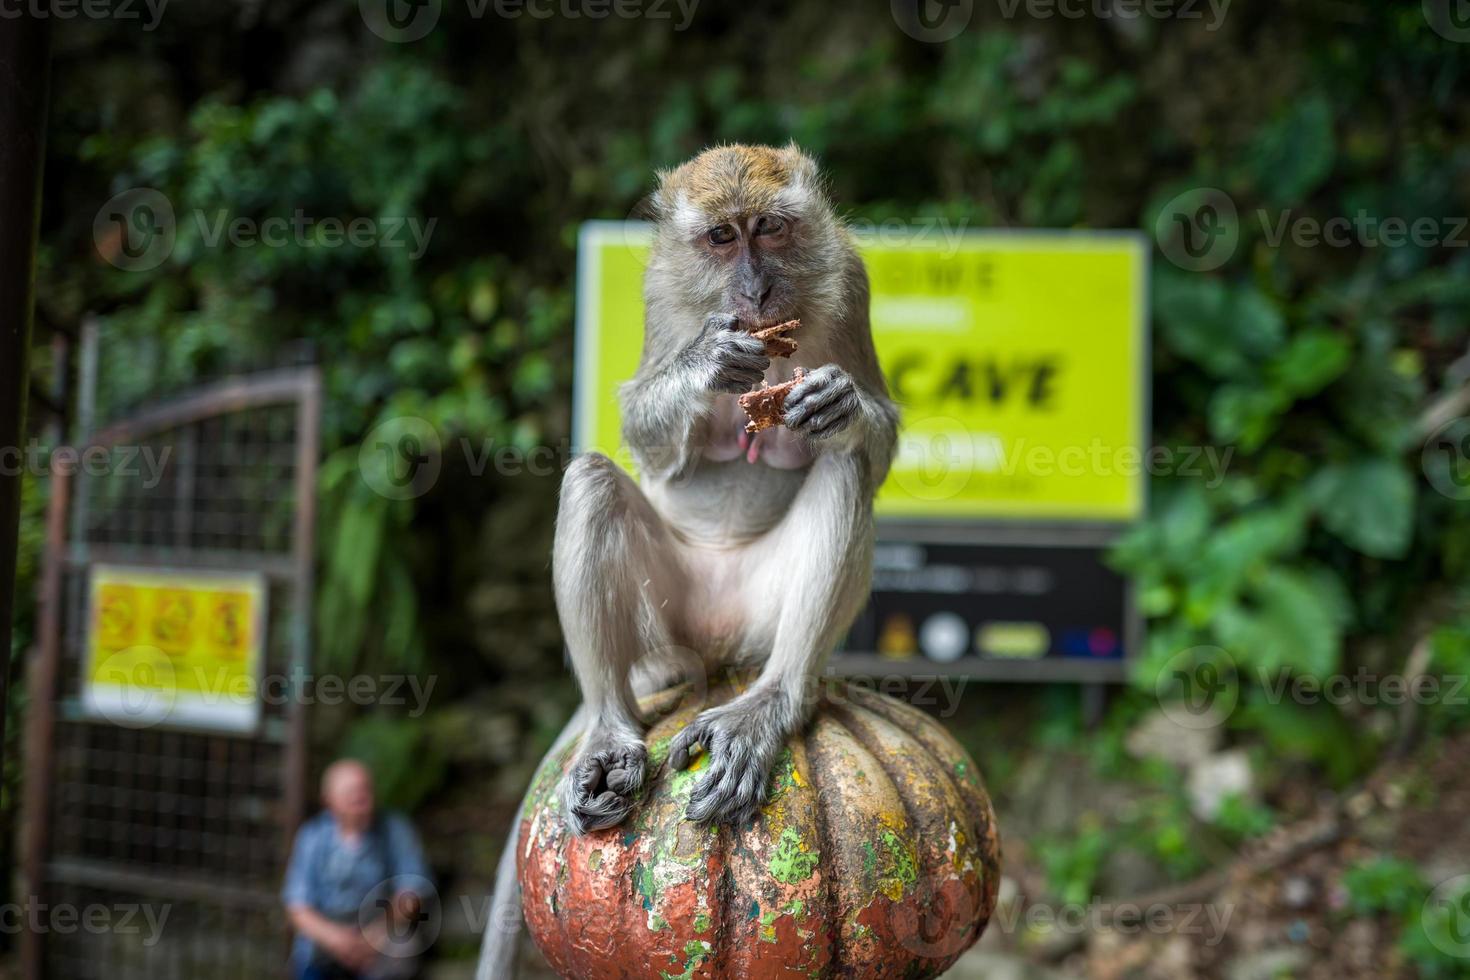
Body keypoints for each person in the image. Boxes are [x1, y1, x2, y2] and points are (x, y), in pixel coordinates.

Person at [283, 759, 434, 980]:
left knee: (402, 951)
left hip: (381, 934)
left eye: (365, 789)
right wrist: (337, 940)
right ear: (329, 800)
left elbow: (412, 891)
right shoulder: (312, 836)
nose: (360, 797)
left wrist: (376, 934)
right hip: (326, 942)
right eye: (350, 791)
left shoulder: (395, 830)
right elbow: (297, 905)